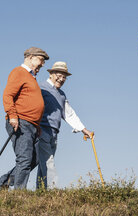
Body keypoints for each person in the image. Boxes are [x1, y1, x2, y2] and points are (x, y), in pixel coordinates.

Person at [0, 47, 49, 190]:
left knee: (35, 159)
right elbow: (8, 95)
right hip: (21, 121)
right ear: (30, 58)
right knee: (24, 158)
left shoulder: (31, 77)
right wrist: (12, 116)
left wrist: (37, 126)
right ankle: (20, 193)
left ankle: (2, 183)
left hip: (32, 125)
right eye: (41, 60)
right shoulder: (19, 72)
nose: (42, 64)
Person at [36, 61, 94, 189]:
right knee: (48, 161)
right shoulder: (40, 87)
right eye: (59, 75)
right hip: (42, 130)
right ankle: (53, 190)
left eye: (64, 77)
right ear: (51, 74)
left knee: (42, 163)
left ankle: (40, 191)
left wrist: (83, 129)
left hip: (54, 132)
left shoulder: (61, 95)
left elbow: (69, 113)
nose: (61, 79)